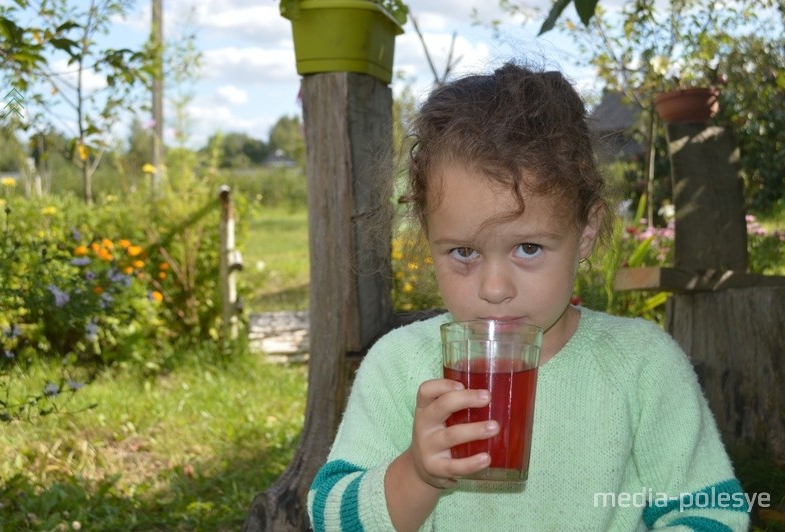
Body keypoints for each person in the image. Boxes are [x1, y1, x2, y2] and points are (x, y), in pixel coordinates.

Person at [307, 61, 749, 531]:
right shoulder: (398, 366)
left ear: (585, 232)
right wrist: (415, 474)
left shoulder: (643, 366)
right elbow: (330, 516)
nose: (495, 289)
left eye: (529, 247)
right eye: (463, 251)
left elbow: (709, 512)